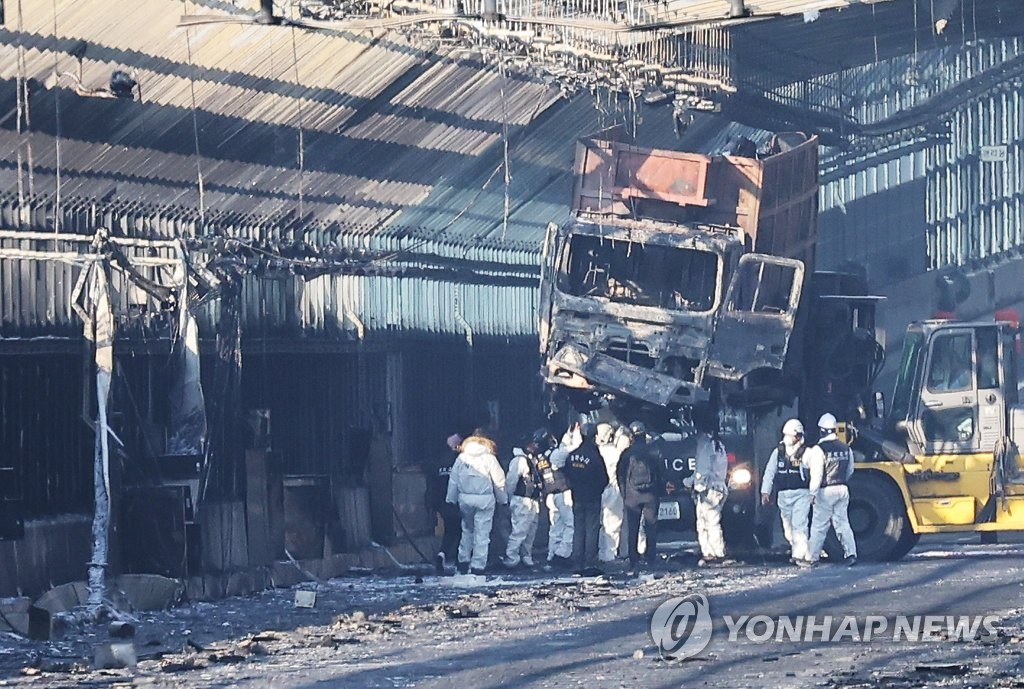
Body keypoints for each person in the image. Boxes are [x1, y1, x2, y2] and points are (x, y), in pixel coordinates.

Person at [800, 412, 857, 567]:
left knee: (819, 525)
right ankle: (851, 554)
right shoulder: (846, 448)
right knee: (843, 523)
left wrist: (812, 493)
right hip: (842, 488)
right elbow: (850, 470)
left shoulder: (819, 450)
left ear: (821, 430)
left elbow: (816, 474)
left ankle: (812, 558)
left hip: (825, 491)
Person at [445, 434, 507, 575]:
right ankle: (478, 565)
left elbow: (453, 480)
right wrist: (502, 500)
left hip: (465, 500)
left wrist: (451, 499)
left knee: (467, 529)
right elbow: (499, 481)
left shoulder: (461, 458)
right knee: (482, 533)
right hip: (485, 500)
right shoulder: (490, 458)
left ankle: (463, 560)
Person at [760, 418, 811, 564]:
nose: (786, 438)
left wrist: (813, 492)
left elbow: (815, 472)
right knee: (788, 528)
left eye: (790, 435)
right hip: (783, 495)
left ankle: (799, 556)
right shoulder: (778, 452)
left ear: (798, 436)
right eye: (785, 435)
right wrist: (765, 492)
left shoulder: (806, 453)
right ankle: (799, 549)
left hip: (801, 493)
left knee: (799, 524)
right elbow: (769, 472)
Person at [563, 422, 609, 575]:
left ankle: (577, 560)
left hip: (577, 497)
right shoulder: (595, 456)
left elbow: (566, 475)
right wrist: (596, 490)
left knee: (578, 529)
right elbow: (604, 479)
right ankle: (590, 561)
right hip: (593, 498)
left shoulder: (572, 456)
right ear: (594, 436)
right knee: (592, 529)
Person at [618, 421, 663, 572]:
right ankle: (650, 558)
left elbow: (620, 474)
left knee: (633, 528)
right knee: (651, 527)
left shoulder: (627, 453)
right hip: (650, 495)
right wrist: (658, 492)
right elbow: (661, 474)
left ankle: (633, 559)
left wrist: (624, 493)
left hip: (632, 496)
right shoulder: (653, 451)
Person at [688, 406, 729, 566]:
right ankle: (714, 551)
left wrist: (696, 486)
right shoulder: (718, 444)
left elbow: (702, 470)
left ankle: (713, 553)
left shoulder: (705, 445)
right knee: (713, 520)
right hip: (719, 487)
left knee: (706, 522)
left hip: (708, 490)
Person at [502, 432, 545, 569]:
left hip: (532, 500)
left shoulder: (531, 459)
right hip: (521, 500)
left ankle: (526, 556)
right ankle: (512, 558)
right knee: (519, 531)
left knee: (530, 532)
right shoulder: (519, 460)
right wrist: (508, 499)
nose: (535, 445)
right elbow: (511, 481)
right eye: (532, 443)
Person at [427, 433, 463, 572]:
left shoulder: (439, 463)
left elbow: (433, 485)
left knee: (449, 530)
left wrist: (433, 504)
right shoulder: (459, 461)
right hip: (457, 501)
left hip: (443, 503)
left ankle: (442, 553)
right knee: (461, 531)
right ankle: (461, 561)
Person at [542, 427, 577, 568]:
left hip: (550, 494)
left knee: (556, 526)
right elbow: (572, 449)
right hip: (563, 493)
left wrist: (567, 435)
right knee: (570, 524)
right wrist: (574, 437)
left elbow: (563, 448)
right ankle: (562, 554)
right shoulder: (557, 455)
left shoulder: (543, 456)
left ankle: (552, 554)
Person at [597, 423, 624, 563]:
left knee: (600, 523)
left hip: (597, 490)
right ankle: (610, 554)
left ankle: (601, 552)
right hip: (613, 489)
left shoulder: (596, 451)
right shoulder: (616, 453)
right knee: (613, 524)